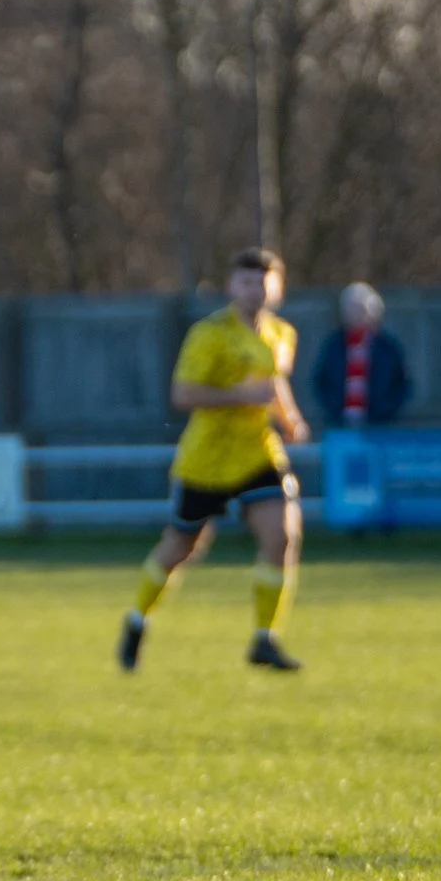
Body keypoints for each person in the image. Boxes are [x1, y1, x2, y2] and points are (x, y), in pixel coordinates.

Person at [117, 248, 309, 674]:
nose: (253, 290)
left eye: (262, 282)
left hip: (258, 452)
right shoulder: (209, 334)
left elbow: (274, 385)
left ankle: (265, 638)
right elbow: (183, 395)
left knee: (282, 536)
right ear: (230, 287)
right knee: (180, 549)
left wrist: (290, 419)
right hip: (206, 460)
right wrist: (239, 396)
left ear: (276, 288)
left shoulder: (282, 334)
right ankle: (136, 620)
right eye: (245, 281)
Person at [310, 281, 409, 427]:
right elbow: (320, 380)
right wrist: (332, 407)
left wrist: (387, 409)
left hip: (380, 425)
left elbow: (402, 382)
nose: (355, 313)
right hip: (340, 423)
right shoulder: (334, 345)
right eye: (350, 308)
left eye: (360, 308)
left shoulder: (387, 347)